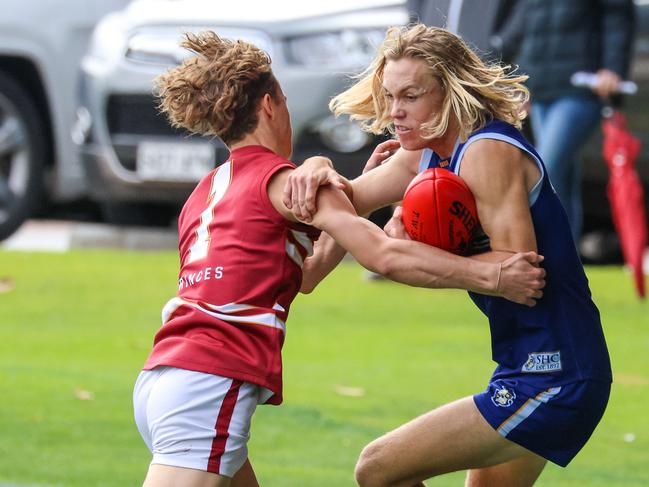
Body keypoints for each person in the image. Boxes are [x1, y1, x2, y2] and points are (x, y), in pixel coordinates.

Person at [132, 31, 545, 487]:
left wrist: (346, 190)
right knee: (379, 469)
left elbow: (303, 275)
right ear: (270, 105)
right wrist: (494, 274)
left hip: (160, 377)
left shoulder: (207, 190)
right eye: (285, 102)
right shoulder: (286, 182)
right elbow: (383, 254)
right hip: (209, 381)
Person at [285, 24, 612, 486]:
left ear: (450, 92)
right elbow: (346, 202)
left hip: (555, 373)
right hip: (524, 367)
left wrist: (408, 248)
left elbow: (520, 276)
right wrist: (316, 168)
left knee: (379, 469)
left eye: (411, 96)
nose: (395, 112)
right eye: (390, 95)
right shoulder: (424, 157)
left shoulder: (486, 152)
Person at [494, 0, 636, 242]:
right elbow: (519, 31)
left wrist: (613, 68)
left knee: (543, 169)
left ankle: (537, 251)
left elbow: (618, 17)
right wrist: (511, 82)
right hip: (540, 92)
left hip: (581, 88)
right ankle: (568, 266)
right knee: (561, 183)